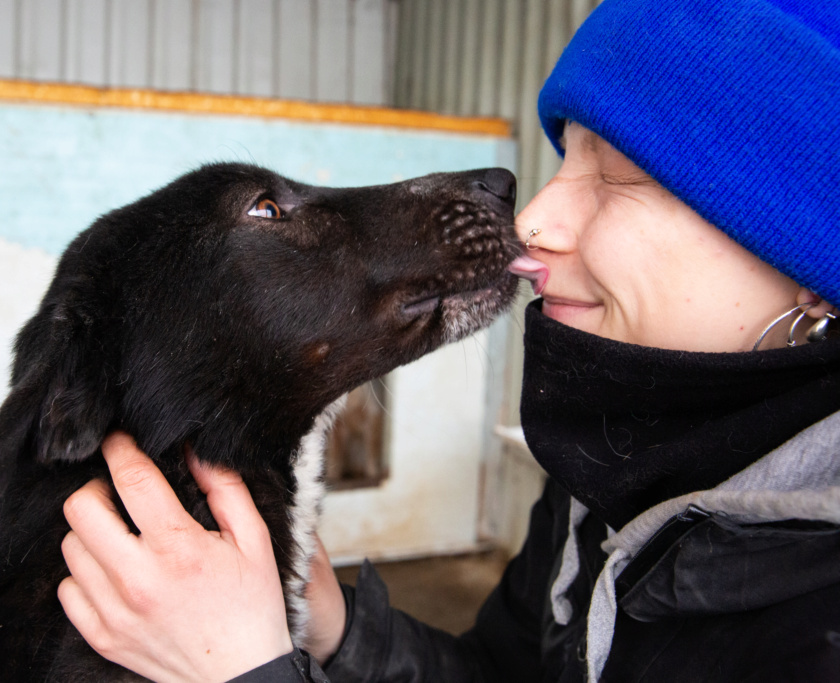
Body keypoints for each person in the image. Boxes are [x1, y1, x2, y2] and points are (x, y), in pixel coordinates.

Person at [56, 0, 840, 680]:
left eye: (621, 176)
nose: (531, 219)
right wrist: (340, 629)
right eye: (568, 158)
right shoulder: (612, 456)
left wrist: (248, 669)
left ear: (808, 262)